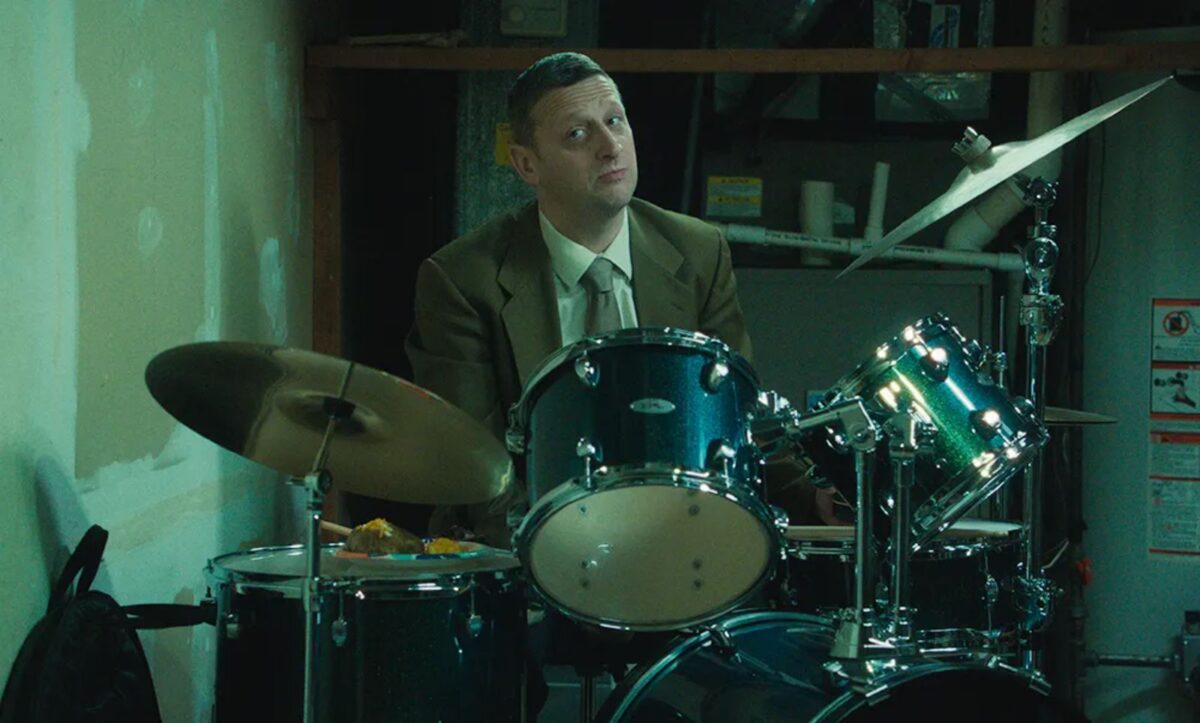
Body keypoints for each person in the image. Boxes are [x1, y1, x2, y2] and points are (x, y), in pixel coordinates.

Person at [405, 51, 830, 546]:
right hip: (527, 547)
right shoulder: (462, 279)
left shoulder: (697, 251)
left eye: (615, 121)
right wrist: (573, 554)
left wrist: (812, 493)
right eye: (577, 134)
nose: (610, 147)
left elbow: (737, 413)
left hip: (677, 537)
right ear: (526, 164)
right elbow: (474, 469)